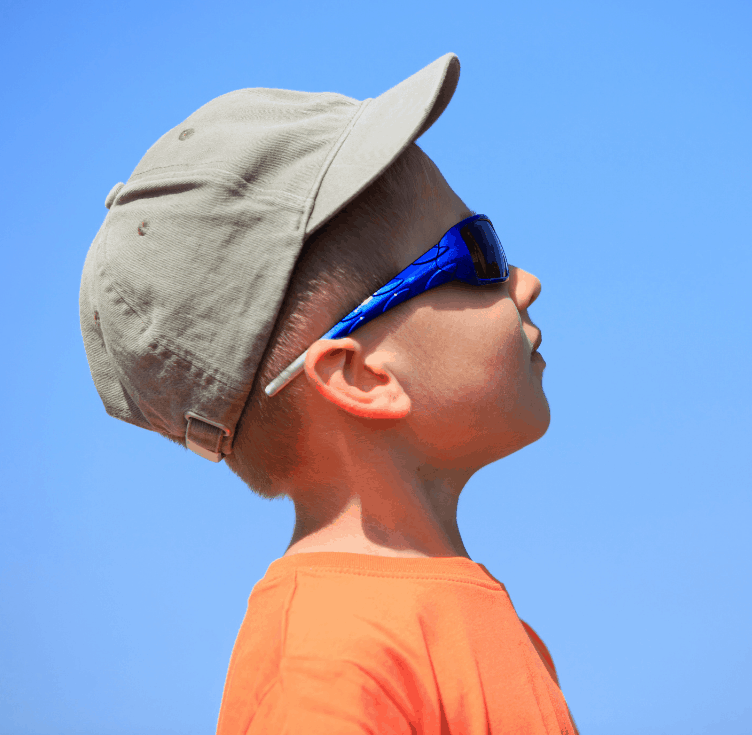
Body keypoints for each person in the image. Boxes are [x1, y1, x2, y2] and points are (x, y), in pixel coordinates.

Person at [80, 53, 578, 733]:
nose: (526, 280)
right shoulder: (324, 665)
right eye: (478, 254)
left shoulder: (447, 609)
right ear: (361, 376)